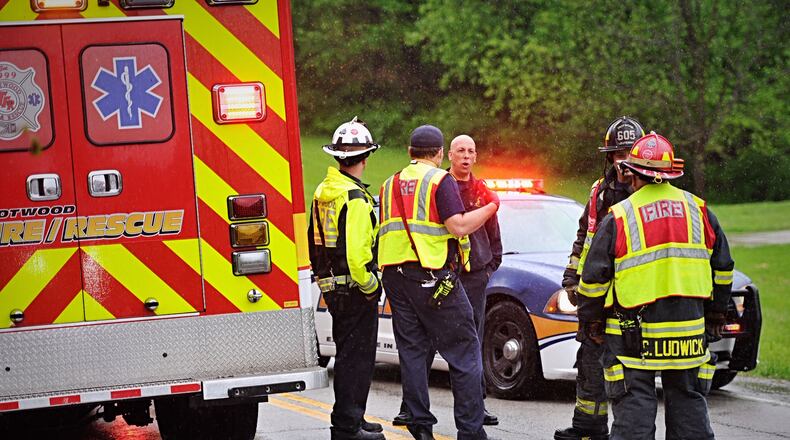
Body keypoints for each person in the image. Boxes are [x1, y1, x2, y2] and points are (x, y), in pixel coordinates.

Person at [576, 132, 734, 440]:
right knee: (689, 406)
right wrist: (716, 314)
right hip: (688, 334)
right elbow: (724, 269)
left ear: (632, 173)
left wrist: (592, 322)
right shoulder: (699, 210)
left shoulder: (620, 216)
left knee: (634, 409)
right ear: (671, 172)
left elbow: (594, 279)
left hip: (632, 337)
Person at [378, 125, 498, 440]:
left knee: (414, 349)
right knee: (465, 348)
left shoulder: (389, 184)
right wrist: (490, 207)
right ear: (441, 154)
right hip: (431, 275)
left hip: (395, 277)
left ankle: (419, 424)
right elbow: (458, 227)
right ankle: (471, 431)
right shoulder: (439, 181)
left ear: (409, 152)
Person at [555, 116, 645, 440]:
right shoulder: (599, 190)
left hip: (627, 299)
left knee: (620, 372)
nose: (623, 161)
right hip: (595, 294)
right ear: (608, 157)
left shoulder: (644, 196)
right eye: (617, 154)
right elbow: (586, 237)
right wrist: (571, 276)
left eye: (629, 153)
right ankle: (587, 428)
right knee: (590, 363)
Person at [308, 117, 386, 440]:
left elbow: (314, 239)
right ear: (365, 158)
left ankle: (353, 415)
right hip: (355, 290)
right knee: (357, 359)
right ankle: (347, 426)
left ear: (338, 157)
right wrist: (372, 286)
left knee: (347, 356)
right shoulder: (354, 199)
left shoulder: (324, 191)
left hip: (333, 289)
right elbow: (357, 257)